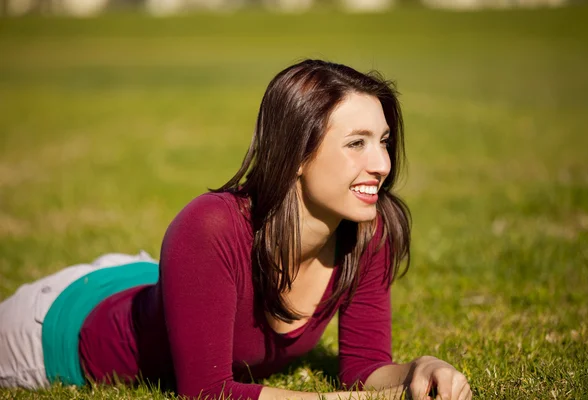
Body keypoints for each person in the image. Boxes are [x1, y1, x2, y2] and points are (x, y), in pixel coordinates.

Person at [0, 59, 472, 400]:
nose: (381, 165)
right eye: (356, 144)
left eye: (383, 142)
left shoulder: (369, 229)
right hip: (53, 329)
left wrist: (419, 370)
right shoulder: (209, 228)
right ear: (297, 155)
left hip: (152, 281)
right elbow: (207, 394)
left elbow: (363, 369)